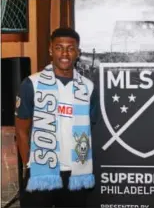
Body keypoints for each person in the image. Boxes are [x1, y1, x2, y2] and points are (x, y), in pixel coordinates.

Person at [15, 27, 97, 207]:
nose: (65, 53)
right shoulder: (32, 84)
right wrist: (30, 165)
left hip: (75, 174)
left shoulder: (88, 88)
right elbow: (21, 130)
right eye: (59, 47)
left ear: (78, 52)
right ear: (51, 50)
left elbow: (89, 127)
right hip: (41, 172)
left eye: (71, 48)